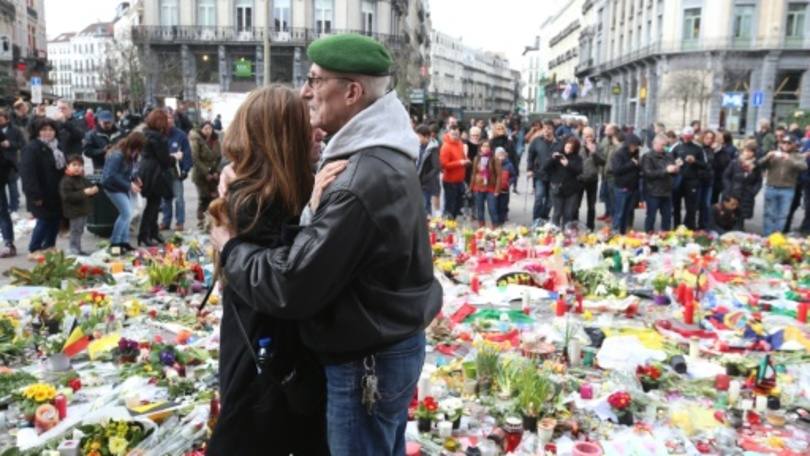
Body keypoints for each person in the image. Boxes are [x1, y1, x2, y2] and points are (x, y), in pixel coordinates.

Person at [212, 34, 442, 455]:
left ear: (351, 92)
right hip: (382, 346)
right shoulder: (381, 154)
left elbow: (290, 284)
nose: (306, 91)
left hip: (365, 359)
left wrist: (230, 247)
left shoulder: (356, 178)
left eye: (316, 80)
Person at [205, 85, 329, 456]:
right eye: (307, 123)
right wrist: (314, 212)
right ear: (284, 136)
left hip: (268, 350)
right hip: (263, 353)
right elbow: (288, 275)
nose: (319, 130)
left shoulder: (274, 187)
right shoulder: (258, 200)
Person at [20, 118, 66, 258]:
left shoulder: (57, 147)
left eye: (51, 130)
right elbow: (28, 174)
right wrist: (35, 195)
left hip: (56, 191)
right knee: (44, 220)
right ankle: (34, 249)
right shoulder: (32, 148)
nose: (48, 133)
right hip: (40, 192)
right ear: (38, 132)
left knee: (55, 219)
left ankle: (49, 246)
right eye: (44, 130)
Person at [101, 132, 144, 254]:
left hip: (123, 186)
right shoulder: (117, 155)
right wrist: (129, 185)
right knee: (126, 213)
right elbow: (111, 175)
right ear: (133, 146)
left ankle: (124, 242)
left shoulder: (132, 154)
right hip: (112, 187)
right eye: (137, 149)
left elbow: (130, 170)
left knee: (127, 214)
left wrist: (135, 178)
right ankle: (115, 243)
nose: (138, 153)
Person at [758, 136, 808, 235]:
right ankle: (767, 235)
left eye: (788, 143)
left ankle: (776, 236)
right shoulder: (774, 153)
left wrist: (789, 159)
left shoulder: (797, 155)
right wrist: (767, 157)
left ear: (794, 144)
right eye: (783, 142)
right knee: (769, 214)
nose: (785, 145)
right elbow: (759, 164)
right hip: (771, 186)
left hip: (787, 189)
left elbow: (803, 167)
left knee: (782, 215)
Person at [138, 110, 173, 246]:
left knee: (154, 204)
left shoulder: (146, 134)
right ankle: (145, 234)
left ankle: (152, 232)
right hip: (155, 174)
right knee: (153, 206)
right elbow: (164, 160)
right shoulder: (159, 138)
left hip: (146, 171)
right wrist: (175, 158)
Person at [59, 155, 98, 255]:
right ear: (68, 166)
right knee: (75, 231)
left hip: (83, 210)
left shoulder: (81, 178)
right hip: (74, 211)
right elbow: (68, 197)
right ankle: (73, 250)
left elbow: (90, 186)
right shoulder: (66, 181)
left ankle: (78, 248)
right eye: (74, 165)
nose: (77, 167)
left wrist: (94, 190)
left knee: (79, 231)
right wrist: (84, 193)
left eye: (80, 165)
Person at [160, 112, 192, 231]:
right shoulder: (159, 134)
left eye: (170, 118)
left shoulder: (180, 135)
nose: (168, 121)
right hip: (163, 171)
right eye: (166, 118)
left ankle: (180, 222)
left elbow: (187, 153)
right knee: (165, 198)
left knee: (179, 198)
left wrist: (185, 169)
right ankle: (165, 221)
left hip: (176, 171)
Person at [672, 127, 707, 230]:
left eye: (689, 137)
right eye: (685, 137)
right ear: (682, 135)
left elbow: (705, 164)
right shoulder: (676, 146)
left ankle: (689, 227)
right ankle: (676, 227)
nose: (687, 139)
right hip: (678, 179)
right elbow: (668, 158)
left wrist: (694, 161)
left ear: (692, 137)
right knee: (676, 205)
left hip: (692, 180)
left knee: (691, 207)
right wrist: (676, 162)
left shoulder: (698, 148)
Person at [641, 134, 678, 232]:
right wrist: (666, 170)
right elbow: (648, 174)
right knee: (651, 216)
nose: (665, 147)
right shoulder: (647, 156)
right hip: (653, 191)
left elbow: (672, 170)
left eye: (666, 145)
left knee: (667, 216)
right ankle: (649, 234)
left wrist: (675, 170)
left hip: (667, 191)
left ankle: (666, 235)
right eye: (662, 145)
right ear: (655, 144)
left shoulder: (668, 154)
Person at [544, 136, 584, 227]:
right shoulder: (558, 155)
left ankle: (567, 232)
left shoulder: (577, 158)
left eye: (571, 148)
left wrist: (568, 164)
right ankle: (555, 231)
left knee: (568, 214)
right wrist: (552, 158)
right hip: (557, 188)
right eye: (567, 147)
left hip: (571, 189)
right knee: (557, 212)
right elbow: (545, 168)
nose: (568, 150)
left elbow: (579, 170)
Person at [722, 142, 762, 231]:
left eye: (751, 151)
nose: (747, 153)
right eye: (746, 151)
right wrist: (728, 189)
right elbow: (726, 176)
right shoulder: (735, 163)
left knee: (741, 216)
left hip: (747, 194)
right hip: (734, 192)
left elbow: (758, 181)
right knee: (730, 214)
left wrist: (753, 191)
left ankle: (739, 231)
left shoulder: (756, 165)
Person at [190, 121, 222, 230]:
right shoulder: (196, 139)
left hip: (213, 174)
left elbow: (219, 158)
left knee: (214, 197)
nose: (208, 130)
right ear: (201, 129)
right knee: (203, 198)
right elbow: (195, 158)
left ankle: (212, 222)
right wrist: (206, 173)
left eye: (210, 128)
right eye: (205, 128)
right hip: (200, 174)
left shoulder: (216, 140)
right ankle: (201, 221)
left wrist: (216, 171)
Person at [527, 120, 560, 222]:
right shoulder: (536, 141)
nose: (546, 130)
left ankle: (544, 217)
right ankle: (536, 220)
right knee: (539, 198)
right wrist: (529, 169)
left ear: (553, 130)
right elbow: (530, 156)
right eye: (545, 128)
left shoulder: (559, 142)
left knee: (550, 201)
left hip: (554, 175)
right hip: (539, 174)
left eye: (549, 128)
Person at [470, 141, 501, 227]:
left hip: (491, 187)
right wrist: (471, 187)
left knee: (492, 209)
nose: (485, 148)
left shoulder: (494, 159)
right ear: (480, 148)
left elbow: (499, 176)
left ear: (490, 148)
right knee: (480, 209)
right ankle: (481, 227)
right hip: (478, 187)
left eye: (487, 146)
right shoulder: (477, 158)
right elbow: (473, 173)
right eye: (483, 146)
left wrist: (497, 190)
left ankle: (495, 227)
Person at [440, 124, 468, 219]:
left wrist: (466, 160)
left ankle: (453, 223)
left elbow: (462, 157)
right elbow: (444, 165)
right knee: (450, 207)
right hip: (450, 181)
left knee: (458, 206)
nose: (455, 136)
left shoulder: (459, 143)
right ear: (448, 133)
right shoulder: (446, 146)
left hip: (460, 180)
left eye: (457, 134)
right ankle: (448, 227)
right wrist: (460, 163)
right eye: (453, 134)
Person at [579, 127, 604, 230]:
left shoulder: (598, 147)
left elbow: (602, 161)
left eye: (590, 136)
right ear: (582, 136)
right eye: (586, 136)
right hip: (579, 179)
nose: (588, 138)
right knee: (576, 205)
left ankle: (590, 227)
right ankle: (574, 226)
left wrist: (594, 152)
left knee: (591, 206)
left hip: (592, 179)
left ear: (594, 136)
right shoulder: (578, 146)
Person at [0, 110, 23, 216]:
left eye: (1, 118)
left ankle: (14, 206)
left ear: (7, 119)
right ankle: (3, 206)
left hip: (11, 162)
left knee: (12, 185)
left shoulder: (15, 130)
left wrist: (10, 144)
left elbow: (22, 144)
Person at [415, 124, 440, 214]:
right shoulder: (418, 147)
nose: (417, 138)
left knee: (425, 206)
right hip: (417, 181)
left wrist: (424, 178)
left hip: (426, 184)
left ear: (426, 136)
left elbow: (436, 168)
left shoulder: (432, 149)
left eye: (419, 136)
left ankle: (426, 226)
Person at [598, 124, 620, 222]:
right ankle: (607, 213)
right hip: (604, 171)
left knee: (612, 196)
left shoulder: (618, 140)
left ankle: (612, 214)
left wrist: (617, 144)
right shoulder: (605, 140)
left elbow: (620, 153)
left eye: (607, 129)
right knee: (605, 194)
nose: (604, 131)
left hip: (613, 173)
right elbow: (601, 152)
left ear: (613, 131)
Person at [490, 122, 518, 193]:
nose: (500, 130)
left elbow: (514, 157)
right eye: (498, 129)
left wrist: (516, 170)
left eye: (502, 128)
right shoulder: (491, 142)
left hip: (507, 170)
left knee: (504, 197)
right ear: (495, 130)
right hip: (494, 169)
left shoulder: (509, 142)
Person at [711, 131, 736, 204]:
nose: (717, 138)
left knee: (725, 199)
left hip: (726, 176)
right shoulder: (715, 146)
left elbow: (732, 162)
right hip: (716, 176)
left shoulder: (731, 149)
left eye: (720, 137)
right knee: (713, 199)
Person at [697, 130, 716, 230]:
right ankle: (695, 224)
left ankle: (703, 225)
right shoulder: (699, 148)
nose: (709, 140)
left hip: (709, 180)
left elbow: (713, 164)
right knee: (698, 204)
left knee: (706, 204)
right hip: (699, 179)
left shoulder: (712, 150)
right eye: (707, 138)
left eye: (711, 139)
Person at [495, 147, 516, 225]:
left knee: (503, 206)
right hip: (495, 190)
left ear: (505, 155)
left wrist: (509, 182)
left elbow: (513, 176)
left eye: (502, 155)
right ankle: (496, 222)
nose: (500, 157)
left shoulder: (509, 165)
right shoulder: (493, 164)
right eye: (498, 155)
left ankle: (501, 222)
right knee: (494, 206)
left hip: (505, 190)